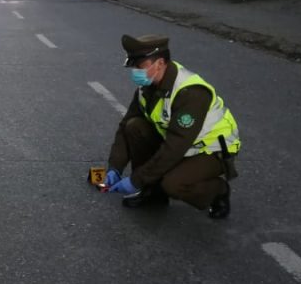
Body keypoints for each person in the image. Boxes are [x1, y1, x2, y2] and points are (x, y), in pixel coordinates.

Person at [102, 34, 241, 219]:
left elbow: (175, 147)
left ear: (159, 63)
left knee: (173, 184)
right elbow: (125, 125)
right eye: (133, 66)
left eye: (140, 66)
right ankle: (152, 194)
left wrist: (136, 180)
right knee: (134, 126)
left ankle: (218, 191)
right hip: (180, 142)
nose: (135, 71)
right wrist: (115, 167)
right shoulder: (148, 87)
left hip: (210, 150)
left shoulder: (190, 92)